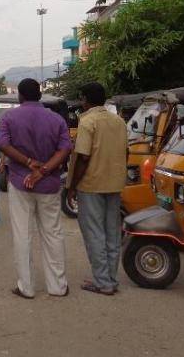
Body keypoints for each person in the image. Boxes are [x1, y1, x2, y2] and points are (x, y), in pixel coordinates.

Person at [0, 78, 72, 299]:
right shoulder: (56, 119)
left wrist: (29, 163)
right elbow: (65, 149)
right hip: (49, 184)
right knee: (53, 233)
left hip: (20, 183)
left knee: (23, 234)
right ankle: (57, 287)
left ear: (20, 96)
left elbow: (2, 144)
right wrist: (44, 169)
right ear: (39, 95)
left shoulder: (9, 117)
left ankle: (26, 287)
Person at [67, 82, 128, 296]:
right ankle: (111, 279)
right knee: (112, 233)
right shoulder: (119, 121)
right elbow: (126, 152)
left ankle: (102, 282)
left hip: (91, 184)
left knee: (94, 234)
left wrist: (72, 186)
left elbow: (83, 157)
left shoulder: (87, 122)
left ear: (85, 100)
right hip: (114, 184)